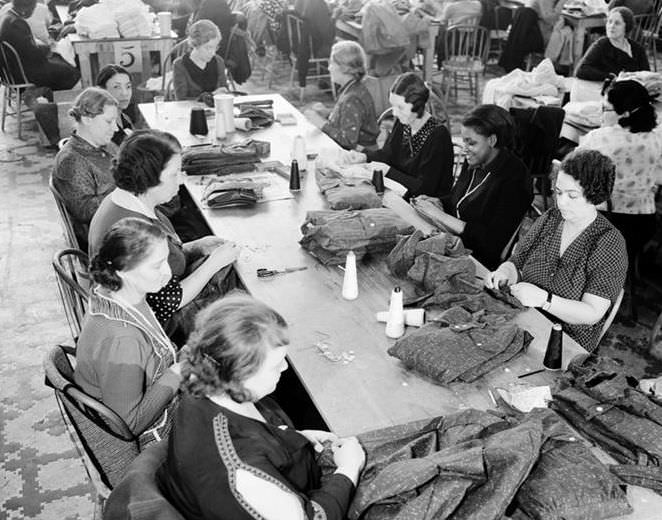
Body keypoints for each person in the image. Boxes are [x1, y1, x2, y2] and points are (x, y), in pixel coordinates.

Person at [157, 293, 366, 520]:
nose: (285, 368)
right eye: (276, 364)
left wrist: (293, 438)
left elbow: (253, 435)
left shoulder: (205, 388)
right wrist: (348, 469)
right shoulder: (240, 470)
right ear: (240, 374)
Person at [88, 129, 239, 333]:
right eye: (174, 174)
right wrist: (214, 263)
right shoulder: (131, 227)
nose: (181, 180)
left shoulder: (127, 200)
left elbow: (158, 258)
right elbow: (166, 303)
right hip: (155, 327)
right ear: (149, 177)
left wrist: (195, 246)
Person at [485, 149, 628, 352]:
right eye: (558, 192)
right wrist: (504, 273)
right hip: (524, 318)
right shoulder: (551, 218)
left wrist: (545, 300)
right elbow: (516, 262)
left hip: (564, 341)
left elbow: (592, 313)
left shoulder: (609, 244)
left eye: (572, 196)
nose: (561, 202)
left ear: (595, 196)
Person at [74, 218, 181, 446]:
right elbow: (128, 425)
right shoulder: (124, 339)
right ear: (122, 270)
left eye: (166, 261)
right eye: (157, 265)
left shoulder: (115, 294)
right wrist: (177, 373)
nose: (168, 273)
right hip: (149, 439)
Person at [578, 79, 662, 308]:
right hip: (642, 226)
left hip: (603, 225)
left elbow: (573, 174)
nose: (601, 112)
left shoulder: (600, 138)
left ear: (623, 112)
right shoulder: (657, 140)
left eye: (605, 108)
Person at [429, 104, 532, 270]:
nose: (465, 149)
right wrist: (436, 202)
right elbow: (459, 200)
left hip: (478, 261)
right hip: (452, 241)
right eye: (464, 142)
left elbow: (492, 243)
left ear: (492, 140)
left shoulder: (516, 178)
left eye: (471, 143)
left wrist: (439, 216)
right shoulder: (475, 161)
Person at [347, 72, 454, 201]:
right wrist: (365, 156)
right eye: (393, 106)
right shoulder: (404, 123)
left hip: (427, 205)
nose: (394, 113)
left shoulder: (438, 136)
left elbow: (426, 189)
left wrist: (388, 171)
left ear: (418, 105)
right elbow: (388, 154)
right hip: (400, 194)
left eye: (400, 107)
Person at [0, 0, 80, 146]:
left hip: (16, 71)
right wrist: (45, 48)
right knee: (70, 71)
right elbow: (33, 54)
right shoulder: (16, 24)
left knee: (60, 63)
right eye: (33, 8)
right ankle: (63, 117)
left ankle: (56, 106)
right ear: (26, 8)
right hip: (26, 73)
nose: (33, 11)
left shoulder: (8, 17)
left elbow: (27, 49)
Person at [51, 87, 119, 248]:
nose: (115, 128)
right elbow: (85, 211)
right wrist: (130, 188)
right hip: (108, 242)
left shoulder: (104, 145)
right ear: (87, 119)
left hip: (122, 222)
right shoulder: (72, 161)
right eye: (109, 121)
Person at [305, 41, 379, 151]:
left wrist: (321, 123)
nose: (329, 68)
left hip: (361, 156)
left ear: (345, 68)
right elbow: (349, 117)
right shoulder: (353, 88)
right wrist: (328, 113)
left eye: (332, 63)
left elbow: (348, 141)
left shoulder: (352, 99)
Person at [575, 7, 649, 81]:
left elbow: (648, 76)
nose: (612, 26)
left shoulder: (638, 49)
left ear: (626, 27)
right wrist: (611, 77)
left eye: (617, 23)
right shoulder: (601, 45)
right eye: (609, 22)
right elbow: (581, 70)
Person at [173, 19, 228, 101]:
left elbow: (224, 90)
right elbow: (181, 100)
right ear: (196, 44)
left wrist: (225, 92)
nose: (213, 53)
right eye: (208, 48)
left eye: (215, 47)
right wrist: (211, 95)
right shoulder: (180, 65)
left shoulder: (218, 61)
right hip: (191, 112)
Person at [96, 64, 145, 146]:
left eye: (128, 86)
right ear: (102, 91)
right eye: (116, 87)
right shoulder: (101, 126)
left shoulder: (125, 118)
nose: (125, 93)